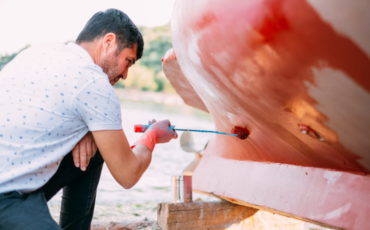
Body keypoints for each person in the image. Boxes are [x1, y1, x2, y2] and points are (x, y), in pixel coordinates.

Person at [0, 8, 177, 230]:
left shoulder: (37, 54)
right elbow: (127, 174)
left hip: (20, 182)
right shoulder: (94, 84)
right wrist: (151, 137)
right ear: (109, 42)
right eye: (128, 61)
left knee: (97, 150)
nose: (125, 75)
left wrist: (90, 131)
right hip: (7, 197)